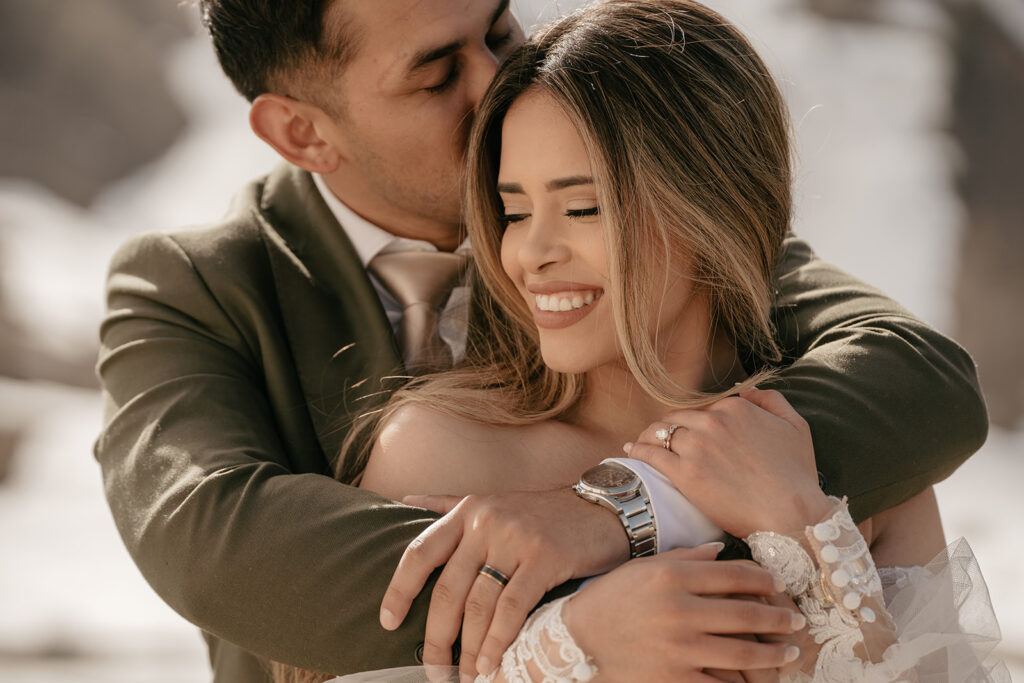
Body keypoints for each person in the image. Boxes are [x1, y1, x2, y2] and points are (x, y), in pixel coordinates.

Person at [94, 0, 987, 681]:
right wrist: (577, 623)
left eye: (499, 29)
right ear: (302, 131)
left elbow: (918, 377)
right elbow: (215, 538)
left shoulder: (663, 235)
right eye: (438, 72)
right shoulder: (194, 289)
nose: (495, 85)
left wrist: (617, 511)